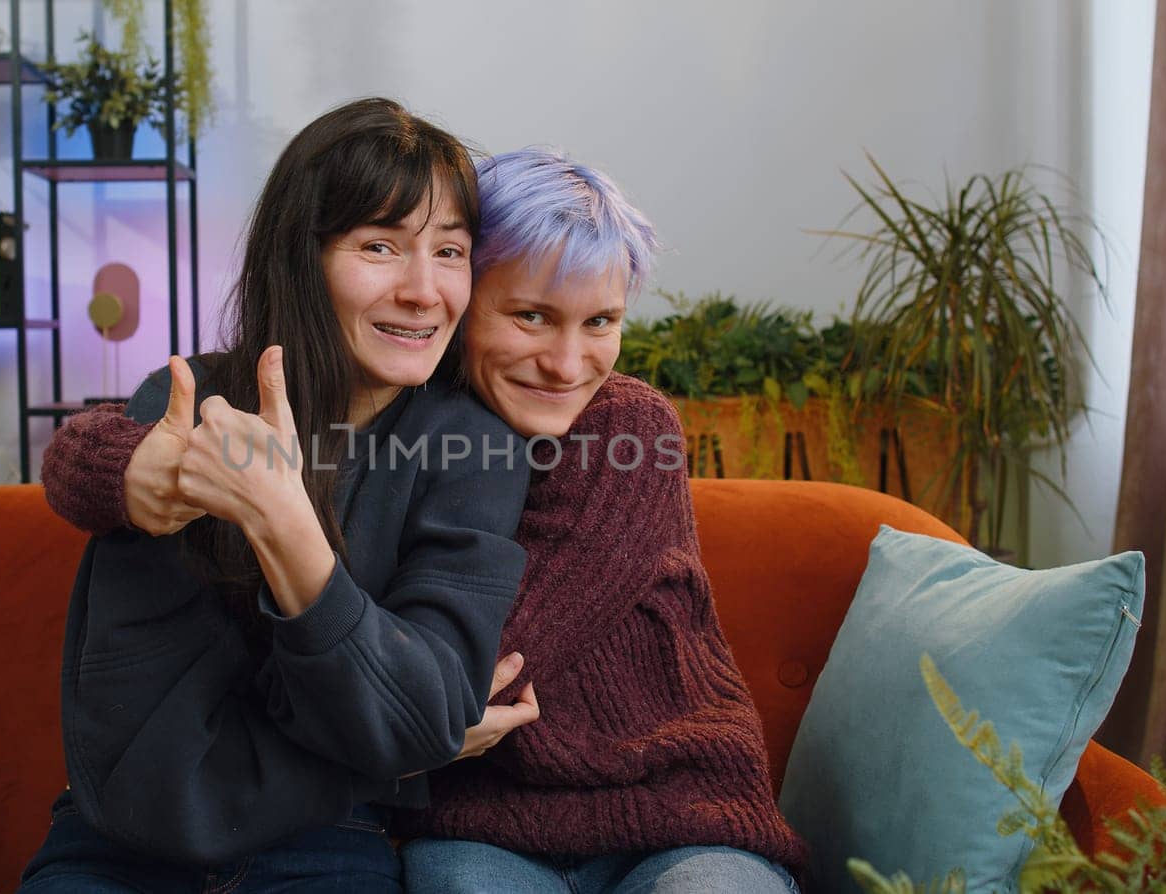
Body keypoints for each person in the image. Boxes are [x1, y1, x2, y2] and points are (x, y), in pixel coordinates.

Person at [42, 148, 807, 892]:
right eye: (531, 316)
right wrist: (122, 466)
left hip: (674, 811)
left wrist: (388, 701)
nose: (568, 365)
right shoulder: (415, 413)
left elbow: (439, 691)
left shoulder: (617, 428)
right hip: (485, 827)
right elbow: (118, 438)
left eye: (602, 321)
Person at [16, 98, 535, 893]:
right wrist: (119, 470)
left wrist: (284, 522)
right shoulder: (191, 404)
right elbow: (145, 734)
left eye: (451, 252)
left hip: (328, 844)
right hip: (114, 840)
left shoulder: (472, 447)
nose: (425, 290)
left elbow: (419, 713)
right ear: (304, 257)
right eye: (379, 246)